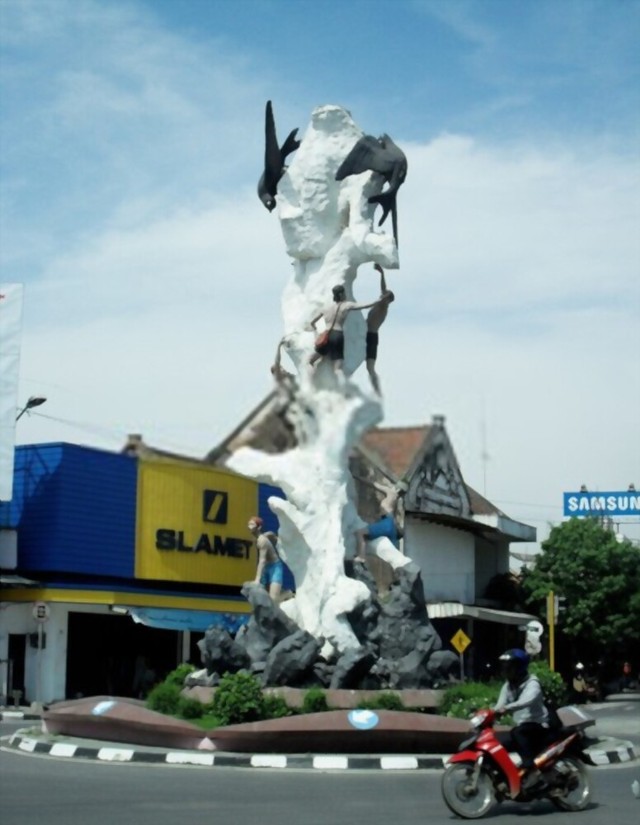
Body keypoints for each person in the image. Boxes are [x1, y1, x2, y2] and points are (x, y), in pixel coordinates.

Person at [494, 648, 552, 787]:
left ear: (519, 668)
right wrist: (488, 714)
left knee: (518, 732)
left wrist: (507, 708)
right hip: (522, 728)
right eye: (505, 667)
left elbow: (527, 700)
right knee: (497, 744)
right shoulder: (508, 686)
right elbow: (499, 705)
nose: (506, 671)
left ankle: (532, 771)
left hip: (539, 726)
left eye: (510, 667)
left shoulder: (533, 683)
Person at [308, 284, 385, 381]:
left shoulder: (326, 307)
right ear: (341, 294)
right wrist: (379, 300)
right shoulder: (346, 305)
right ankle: (343, 386)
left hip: (326, 335)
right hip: (338, 335)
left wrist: (317, 333)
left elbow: (312, 322)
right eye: (344, 293)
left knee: (310, 361)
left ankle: (310, 382)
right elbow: (365, 305)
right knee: (338, 369)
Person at [247, 516, 294, 603]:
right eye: (249, 524)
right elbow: (270, 534)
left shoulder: (262, 541)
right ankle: (280, 592)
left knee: (273, 601)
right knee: (264, 598)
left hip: (275, 568)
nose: (249, 526)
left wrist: (257, 579)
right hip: (266, 568)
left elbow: (262, 561)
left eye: (252, 524)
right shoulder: (259, 538)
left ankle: (287, 593)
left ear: (259, 527)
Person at [365, 263, 395, 394]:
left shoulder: (383, 307)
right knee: (369, 367)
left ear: (388, 299)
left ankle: (377, 391)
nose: (382, 295)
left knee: (370, 367)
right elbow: (383, 288)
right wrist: (381, 273)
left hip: (371, 336)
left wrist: (382, 274)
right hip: (366, 334)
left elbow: (384, 290)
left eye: (385, 295)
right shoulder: (381, 303)